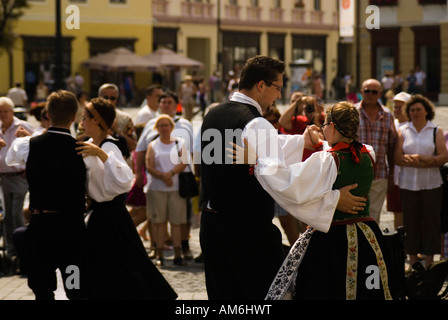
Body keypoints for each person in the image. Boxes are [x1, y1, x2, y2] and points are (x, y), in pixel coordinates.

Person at [200, 55, 366, 300]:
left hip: (212, 228)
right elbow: (283, 184)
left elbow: (266, 148)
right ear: (261, 86)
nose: (278, 95)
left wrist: (302, 142)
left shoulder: (213, 116)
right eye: (277, 88)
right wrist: (331, 200)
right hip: (246, 230)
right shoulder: (256, 123)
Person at [264, 102, 392, 300]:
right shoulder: (368, 153)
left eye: (324, 125)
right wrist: (320, 142)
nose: (323, 129)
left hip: (332, 238)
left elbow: (292, 186)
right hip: (366, 234)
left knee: (326, 288)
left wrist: (259, 163)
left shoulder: (328, 160)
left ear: (332, 127)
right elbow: (342, 149)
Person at [76, 97, 177, 300]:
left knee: (127, 266)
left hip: (113, 217)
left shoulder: (109, 147)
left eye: (85, 118)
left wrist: (102, 155)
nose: (81, 122)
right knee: (104, 267)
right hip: (97, 215)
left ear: (97, 121)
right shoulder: (87, 145)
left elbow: (124, 179)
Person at [5, 90, 88, 300]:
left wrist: (31, 139)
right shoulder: (83, 149)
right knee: (75, 286)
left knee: (42, 287)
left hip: (43, 225)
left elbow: (11, 160)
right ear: (73, 117)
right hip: (73, 228)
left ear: (48, 115)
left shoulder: (29, 145)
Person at [135, 91, 194, 260]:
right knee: (156, 217)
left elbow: (193, 150)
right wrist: (139, 173)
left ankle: (184, 246)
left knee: (182, 217)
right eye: (163, 102)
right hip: (156, 180)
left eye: (169, 102)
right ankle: (156, 247)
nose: (166, 105)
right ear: (159, 105)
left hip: (182, 177)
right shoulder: (150, 124)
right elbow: (141, 150)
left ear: (176, 105)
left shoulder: (186, 124)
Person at [394, 94, 448, 269]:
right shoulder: (403, 130)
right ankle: (413, 260)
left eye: (418, 109)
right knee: (410, 222)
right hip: (408, 184)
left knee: (431, 222)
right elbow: (397, 157)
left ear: (426, 111)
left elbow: (443, 156)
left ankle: (430, 261)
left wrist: (424, 159)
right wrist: (416, 160)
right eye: (412, 110)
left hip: (431, 184)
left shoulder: (435, 130)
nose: (415, 113)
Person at [145, 115, 189, 266]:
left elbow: (184, 162)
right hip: (157, 188)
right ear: (156, 128)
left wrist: (170, 174)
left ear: (171, 127)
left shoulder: (179, 143)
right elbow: (149, 165)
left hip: (175, 187)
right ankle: (160, 254)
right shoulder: (153, 145)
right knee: (159, 222)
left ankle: (178, 254)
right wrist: (163, 177)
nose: (164, 128)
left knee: (176, 222)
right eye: (161, 125)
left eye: (166, 125)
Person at [355, 79, 397, 224]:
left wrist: (392, 175)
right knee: (356, 216)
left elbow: (391, 147)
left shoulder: (387, 114)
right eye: (367, 91)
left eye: (374, 92)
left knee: (373, 218)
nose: (370, 94)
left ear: (380, 93)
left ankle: (371, 246)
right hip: (356, 174)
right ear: (361, 93)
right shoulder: (353, 113)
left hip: (379, 175)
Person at [0, 97, 34, 270]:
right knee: (5, 216)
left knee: (17, 213)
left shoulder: (22, 125)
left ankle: (22, 252)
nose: (3, 115)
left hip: (19, 176)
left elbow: (36, 143)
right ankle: (11, 252)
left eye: (6, 111)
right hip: (3, 178)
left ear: (12, 112)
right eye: (0, 111)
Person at [387, 92, 411, 230]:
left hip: (409, 176)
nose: (396, 110)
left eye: (399, 107)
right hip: (394, 176)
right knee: (397, 212)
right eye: (395, 107)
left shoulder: (413, 125)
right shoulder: (392, 124)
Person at [98, 83, 137, 154]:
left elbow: (134, 145)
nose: (109, 100)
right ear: (99, 97)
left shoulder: (125, 118)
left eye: (112, 98)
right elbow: (79, 140)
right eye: (105, 97)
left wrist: (117, 131)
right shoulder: (89, 116)